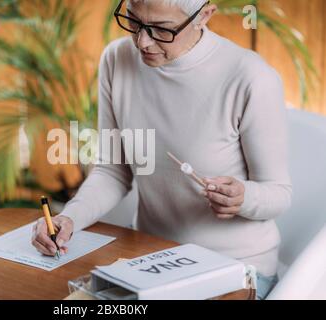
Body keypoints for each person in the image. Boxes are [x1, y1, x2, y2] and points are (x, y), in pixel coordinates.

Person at [31, 0, 292, 300]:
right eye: (134, 21)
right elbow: (112, 172)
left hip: (235, 270)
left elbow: (279, 193)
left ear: (204, 15)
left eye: (161, 29)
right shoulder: (117, 60)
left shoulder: (251, 77)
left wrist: (244, 197)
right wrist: (69, 218)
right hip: (150, 259)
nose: (142, 41)